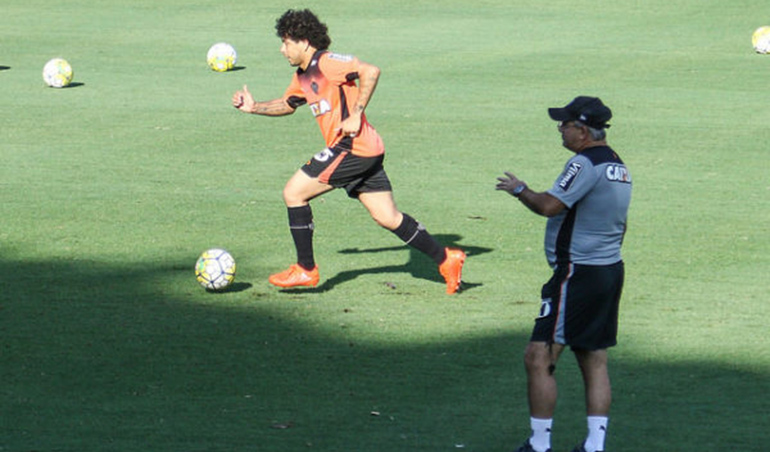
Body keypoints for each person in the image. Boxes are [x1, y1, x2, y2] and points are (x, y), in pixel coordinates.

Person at [232, 9, 465, 294]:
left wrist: (356, 113)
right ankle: (446, 259)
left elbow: (371, 71)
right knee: (387, 216)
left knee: (294, 193)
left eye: (286, 42)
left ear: (303, 42)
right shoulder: (302, 76)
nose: (282, 50)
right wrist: (254, 107)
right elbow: (288, 104)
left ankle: (306, 269)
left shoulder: (327, 62)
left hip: (352, 147)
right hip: (366, 150)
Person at [495, 96, 631, 452]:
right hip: (609, 270)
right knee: (593, 356)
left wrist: (520, 189)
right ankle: (594, 446)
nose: (560, 128)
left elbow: (550, 206)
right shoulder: (618, 165)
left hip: (577, 274)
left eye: (565, 124)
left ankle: (539, 445)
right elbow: (622, 223)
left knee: (539, 356)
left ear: (582, 130)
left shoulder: (583, 163)